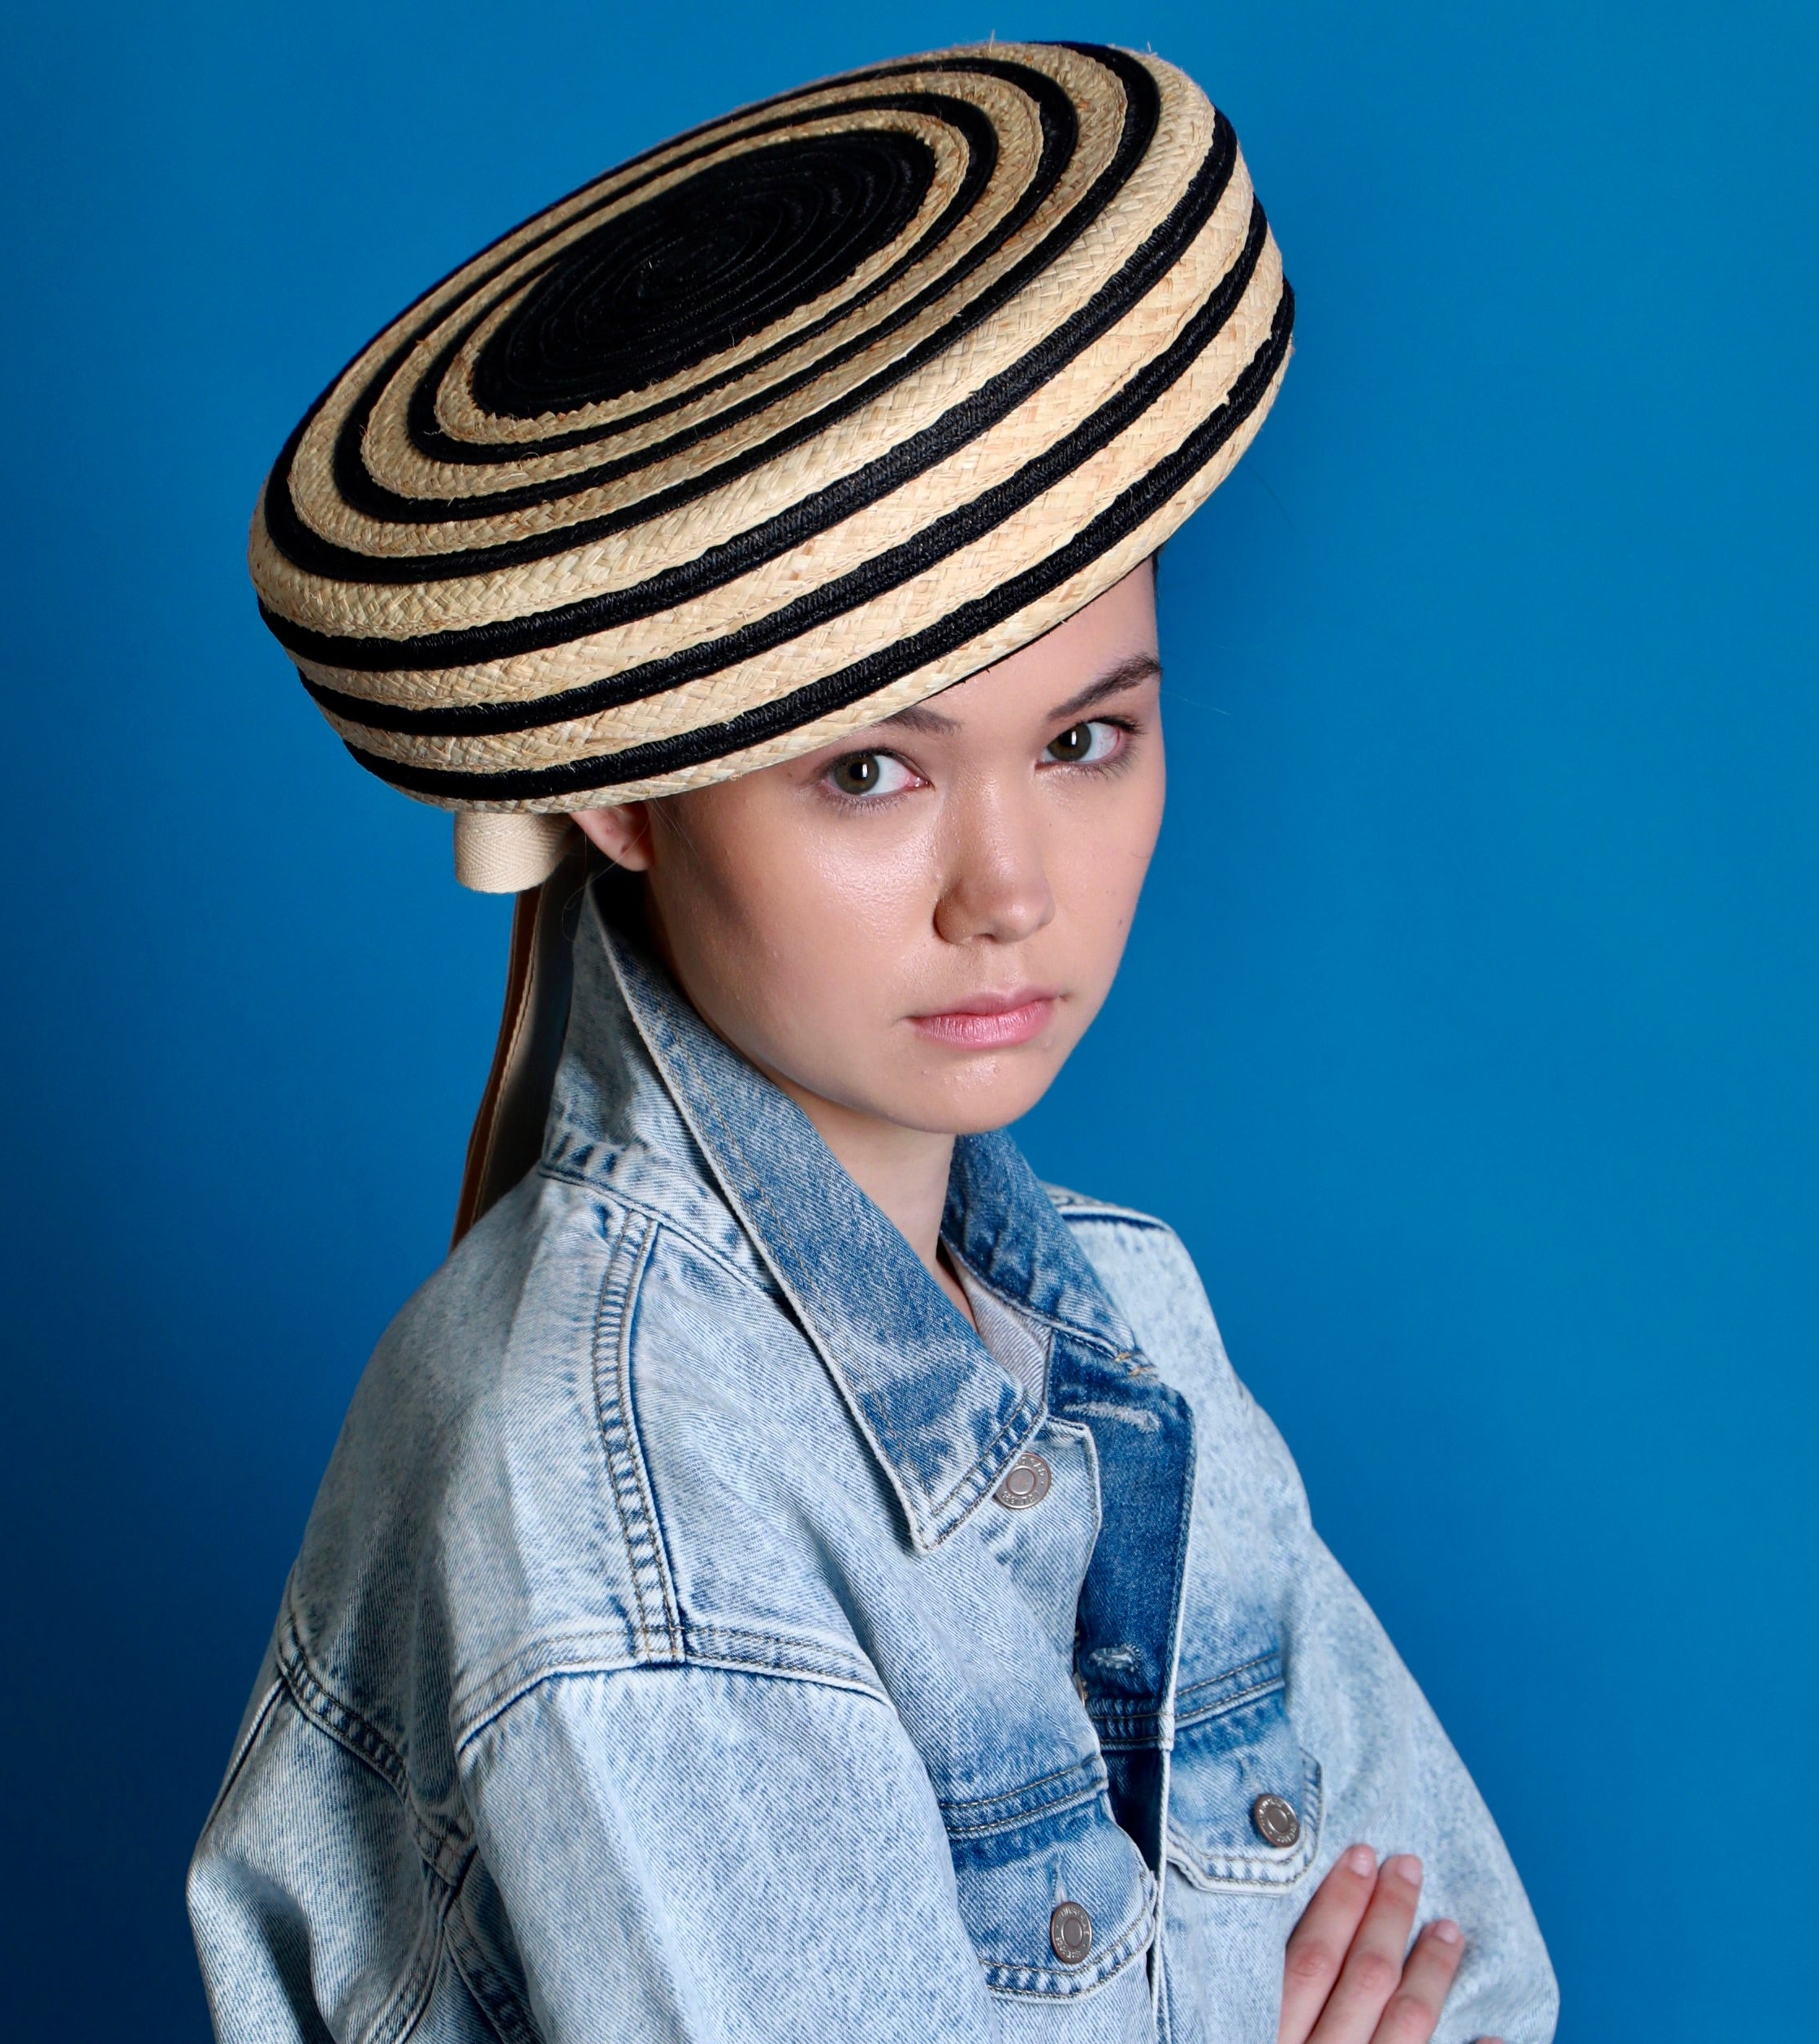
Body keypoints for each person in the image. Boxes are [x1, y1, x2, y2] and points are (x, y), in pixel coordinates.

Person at [191, 41, 1558, 2043]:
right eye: (867, 770)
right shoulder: (612, 1480)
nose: (1007, 887)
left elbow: (1485, 1980)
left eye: (1084, 737)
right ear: (623, 796)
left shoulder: (1126, 1328)